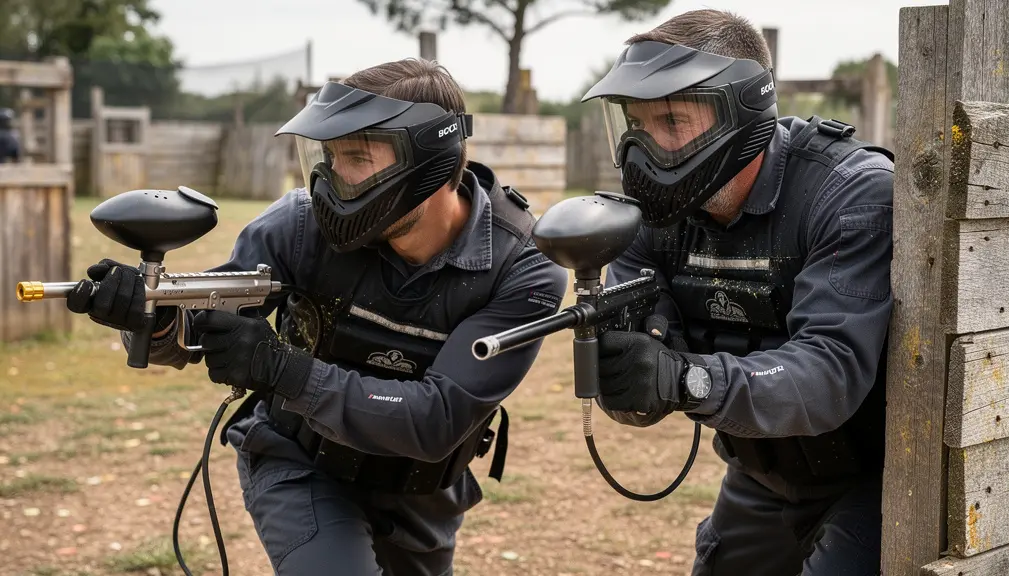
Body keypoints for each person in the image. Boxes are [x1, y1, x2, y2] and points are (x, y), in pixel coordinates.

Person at [64, 58, 569, 575]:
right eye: (328, 156)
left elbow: (436, 419)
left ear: (432, 163)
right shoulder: (299, 225)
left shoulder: (523, 265)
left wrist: (282, 369)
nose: (331, 178)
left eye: (357, 157)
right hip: (299, 459)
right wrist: (148, 319)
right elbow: (192, 329)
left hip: (420, 488)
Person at [583, 9, 895, 576]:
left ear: (741, 113)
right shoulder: (652, 217)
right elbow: (636, 384)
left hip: (875, 479)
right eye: (635, 123)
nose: (644, 149)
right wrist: (630, 368)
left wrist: (686, 379)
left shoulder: (849, 195)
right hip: (759, 471)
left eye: (672, 121)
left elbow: (830, 372)